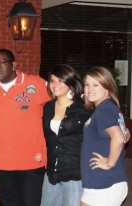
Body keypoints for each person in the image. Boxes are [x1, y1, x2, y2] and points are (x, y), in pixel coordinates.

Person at [0, 49, 50, 206]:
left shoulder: (36, 83)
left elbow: (59, 103)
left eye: (1, 63)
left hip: (32, 163)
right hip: (1, 164)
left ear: (14, 64)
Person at [40, 64, 91, 206]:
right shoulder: (48, 107)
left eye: (61, 80)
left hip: (75, 173)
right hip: (51, 172)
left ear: (71, 82)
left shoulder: (84, 108)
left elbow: (103, 129)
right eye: (52, 80)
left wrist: (123, 133)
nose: (55, 85)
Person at [80, 66, 128, 206]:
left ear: (107, 86)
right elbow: (121, 135)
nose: (90, 89)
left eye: (96, 85)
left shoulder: (104, 110)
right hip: (99, 183)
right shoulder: (108, 108)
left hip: (105, 183)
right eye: (87, 84)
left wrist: (109, 163)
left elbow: (118, 138)